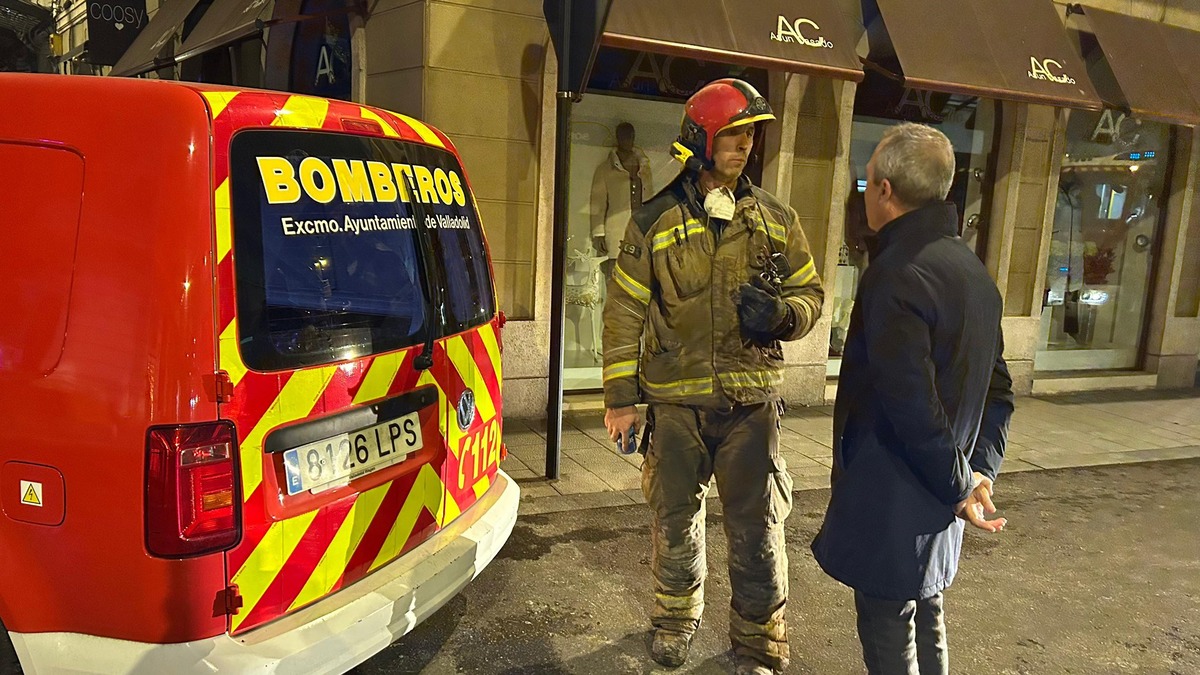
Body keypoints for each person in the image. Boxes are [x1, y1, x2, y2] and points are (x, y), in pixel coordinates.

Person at [600, 78, 824, 675]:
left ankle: (759, 643)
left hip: (751, 405)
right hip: (676, 404)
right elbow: (623, 314)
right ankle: (675, 620)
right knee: (674, 523)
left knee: (758, 531)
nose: (744, 145)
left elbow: (810, 294)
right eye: (731, 134)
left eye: (749, 134)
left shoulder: (776, 219)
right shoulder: (653, 221)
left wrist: (784, 315)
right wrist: (623, 400)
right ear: (699, 139)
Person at [810, 122, 1015, 675]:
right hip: (943, 489)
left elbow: (911, 404)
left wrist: (958, 483)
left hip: (896, 488)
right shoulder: (973, 272)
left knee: (889, 630)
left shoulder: (896, 274)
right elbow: (999, 390)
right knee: (926, 610)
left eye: (867, 180)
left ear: (883, 191)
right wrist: (978, 471)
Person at [591, 122, 653, 277]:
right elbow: (597, 203)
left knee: (641, 276)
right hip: (617, 230)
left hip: (642, 231)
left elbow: (651, 198)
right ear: (618, 138)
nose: (628, 139)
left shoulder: (644, 166)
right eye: (624, 136)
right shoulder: (605, 169)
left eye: (630, 136)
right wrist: (598, 232)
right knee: (615, 277)